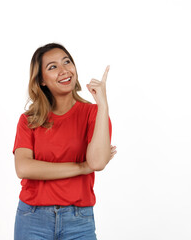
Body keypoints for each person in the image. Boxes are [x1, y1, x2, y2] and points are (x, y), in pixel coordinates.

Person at [12, 43, 117, 240]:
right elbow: (24, 168)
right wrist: (81, 168)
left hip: (79, 219)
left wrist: (102, 104)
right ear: (41, 80)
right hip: (32, 217)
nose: (64, 70)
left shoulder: (94, 114)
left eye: (67, 62)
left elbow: (97, 163)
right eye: (52, 67)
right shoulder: (29, 120)